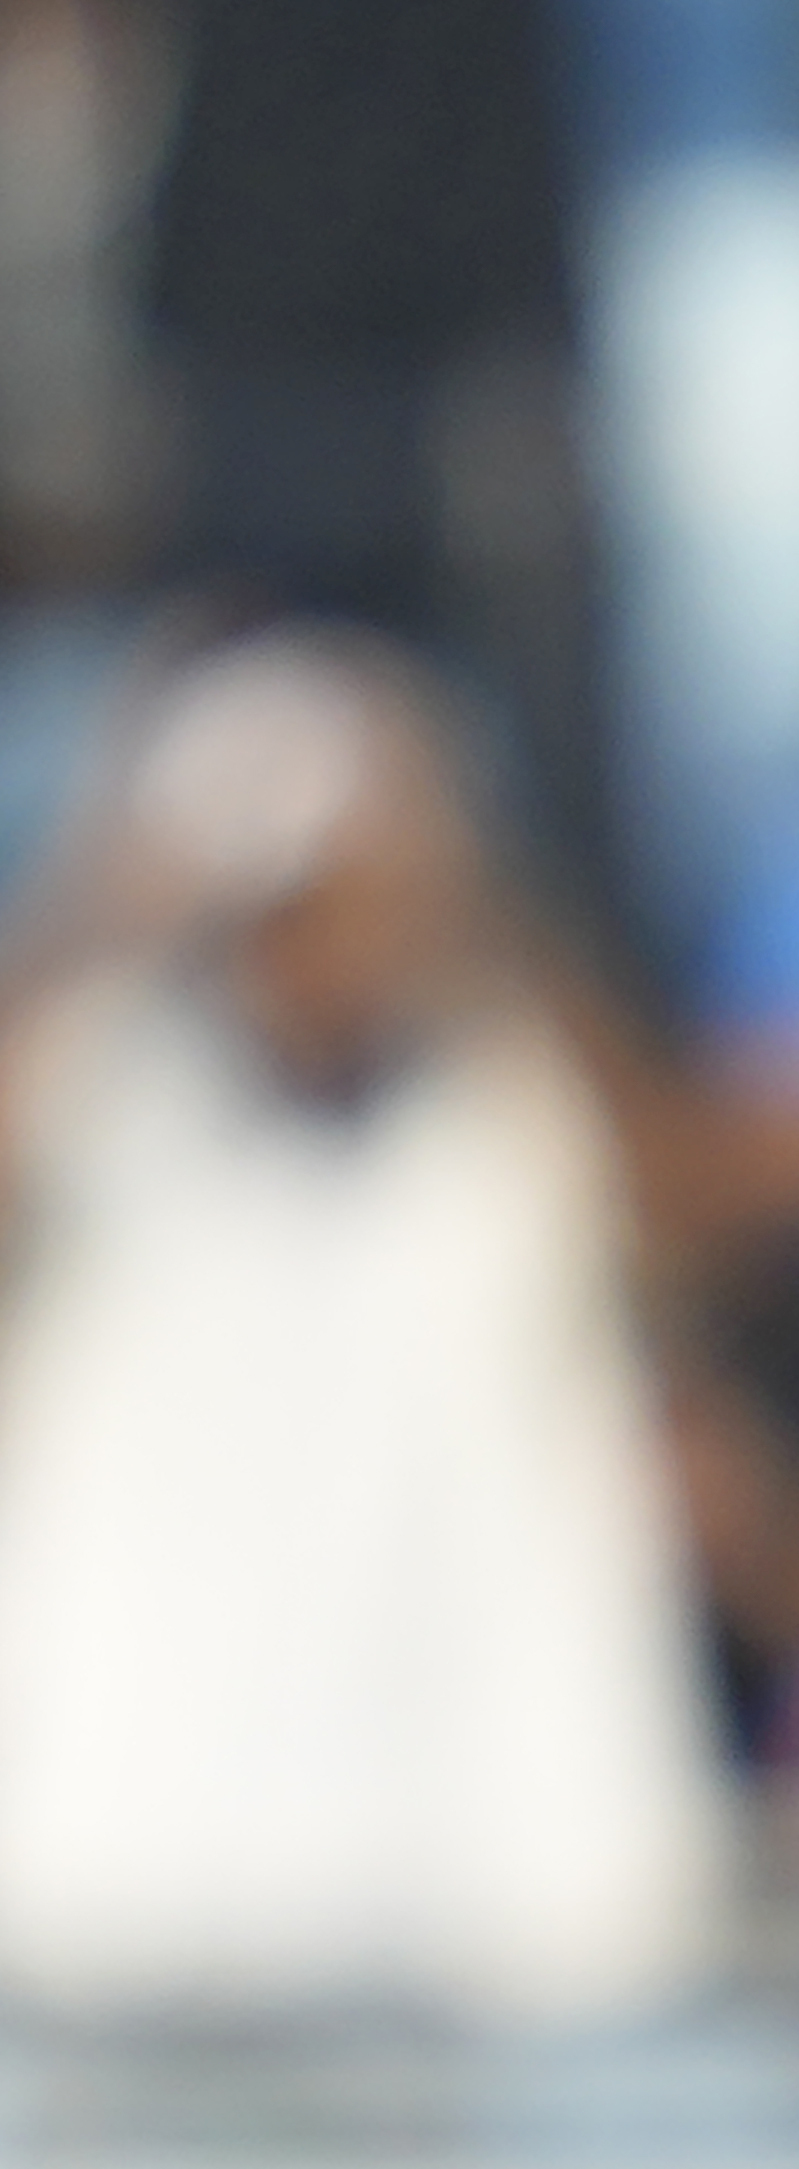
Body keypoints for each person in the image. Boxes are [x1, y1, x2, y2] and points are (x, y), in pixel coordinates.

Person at [0, 631, 726, 2031]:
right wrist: (102, 900)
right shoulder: (99, 1096)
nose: (330, 946)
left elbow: (685, 1196)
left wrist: (473, 878)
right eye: (285, 907)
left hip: (480, 1905)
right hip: (132, 1902)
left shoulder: (510, 1108)